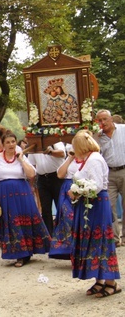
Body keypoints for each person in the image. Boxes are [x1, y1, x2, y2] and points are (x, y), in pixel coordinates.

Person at [68, 130, 121, 298]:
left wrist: (78, 192)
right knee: (92, 241)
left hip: (97, 204)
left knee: (101, 240)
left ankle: (111, 282)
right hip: (89, 205)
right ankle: (99, 279)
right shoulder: (88, 160)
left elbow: (97, 186)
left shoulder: (95, 160)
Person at [0, 131, 50, 267]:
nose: (11, 145)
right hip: (5, 195)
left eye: (13, 142)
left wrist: (21, 159)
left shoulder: (20, 156)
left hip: (22, 193)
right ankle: (20, 254)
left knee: (26, 220)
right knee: (12, 223)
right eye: (8, 142)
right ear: (2, 145)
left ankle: (28, 252)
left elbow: (32, 174)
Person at [95, 109, 125, 247]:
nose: (102, 123)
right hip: (109, 174)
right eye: (99, 120)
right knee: (109, 205)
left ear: (111, 119)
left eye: (104, 119)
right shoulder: (98, 137)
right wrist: (95, 136)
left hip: (124, 169)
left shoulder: (123, 129)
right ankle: (114, 237)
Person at [27, 141, 66, 235]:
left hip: (57, 177)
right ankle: (49, 236)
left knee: (60, 206)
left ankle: (63, 234)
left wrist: (50, 152)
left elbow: (62, 153)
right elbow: (33, 165)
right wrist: (31, 185)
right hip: (42, 178)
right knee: (45, 209)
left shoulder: (54, 140)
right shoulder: (33, 145)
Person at [49, 146, 79, 260]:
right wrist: (70, 158)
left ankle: (79, 251)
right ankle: (68, 250)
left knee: (79, 220)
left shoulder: (89, 159)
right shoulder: (70, 159)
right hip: (67, 189)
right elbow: (60, 174)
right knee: (67, 218)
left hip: (81, 188)